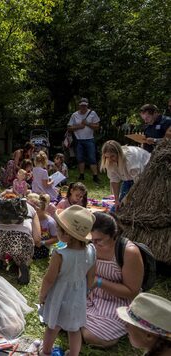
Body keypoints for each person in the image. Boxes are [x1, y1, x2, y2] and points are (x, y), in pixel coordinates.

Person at [39, 205, 96, 356]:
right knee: (74, 328)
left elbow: (49, 279)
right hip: (78, 296)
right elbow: (91, 276)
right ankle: (74, 353)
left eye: (58, 229)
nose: (56, 231)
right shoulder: (91, 250)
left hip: (59, 295)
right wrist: (86, 291)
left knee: (53, 327)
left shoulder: (60, 254)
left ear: (67, 235)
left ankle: (45, 351)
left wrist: (42, 295)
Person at [82, 212, 144, 347]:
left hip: (119, 302)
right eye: (91, 239)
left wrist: (98, 282)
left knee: (90, 336)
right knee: (57, 310)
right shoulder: (91, 243)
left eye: (99, 240)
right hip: (91, 295)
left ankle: (109, 331)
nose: (93, 243)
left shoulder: (128, 252)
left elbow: (131, 291)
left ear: (113, 235)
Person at [0, 198, 41, 284]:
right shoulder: (31, 209)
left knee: (1, 239)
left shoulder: (0, 206)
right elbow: (37, 239)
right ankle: (22, 265)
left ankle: (1, 259)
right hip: (20, 239)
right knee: (21, 250)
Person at [100, 140, 151, 211]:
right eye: (107, 157)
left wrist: (127, 198)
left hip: (145, 177)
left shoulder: (130, 159)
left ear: (119, 153)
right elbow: (114, 181)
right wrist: (117, 200)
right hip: (129, 178)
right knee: (119, 206)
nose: (110, 159)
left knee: (133, 204)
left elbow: (138, 183)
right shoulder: (110, 162)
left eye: (112, 156)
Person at [67, 97, 101, 183]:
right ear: (79, 105)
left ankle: (95, 176)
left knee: (92, 158)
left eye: (85, 106)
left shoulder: (92, 113)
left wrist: (88, 124)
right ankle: (81, 175)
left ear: (87, 105)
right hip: (78, 140)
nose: (83, 107)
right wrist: (79, 126)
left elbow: (97, 127)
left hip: (90, 139)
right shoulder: (74, 115)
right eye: (82, 105)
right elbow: (69, 127)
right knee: (80, 158)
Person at [27, 193, 58, 259]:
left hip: (43, 246)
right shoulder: (31, 218)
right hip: (31, 242)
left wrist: (42, 242)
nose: (34, 212)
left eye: (37, 210)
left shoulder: (50, 222)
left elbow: (56, 238)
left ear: (43, 210)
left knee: (30, 254)